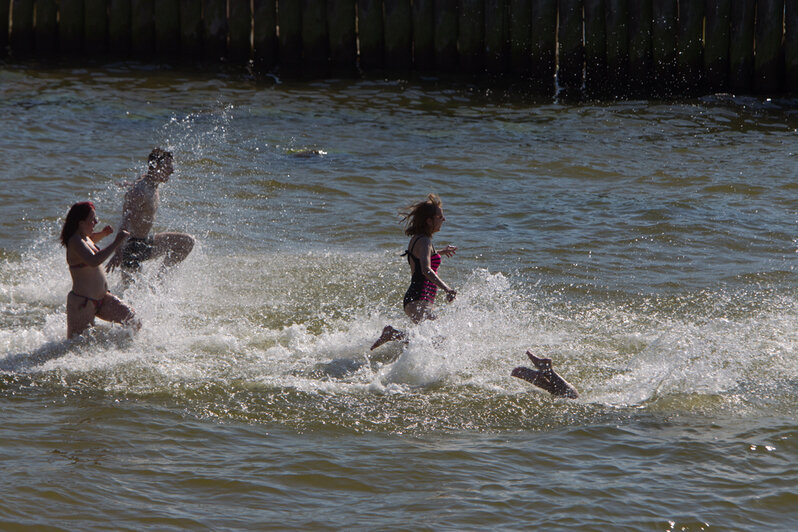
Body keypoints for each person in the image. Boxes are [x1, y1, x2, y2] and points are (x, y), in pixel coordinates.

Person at [371, 193, 457, 350]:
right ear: (429, 220)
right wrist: (447, 288)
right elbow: (425, 269)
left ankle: (393, 334)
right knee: (439, 341)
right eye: (439, 217)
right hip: (419, 297)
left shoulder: (421, 240)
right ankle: (392, 334)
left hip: (418, 298)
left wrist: (440, 252)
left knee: (430, 341)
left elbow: (423, 258)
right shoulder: (424, 241)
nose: (443, 220)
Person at [106, 148, 194, 285]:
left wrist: (127, 185)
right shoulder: (141, 191)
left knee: (186, 242)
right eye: (168, 166)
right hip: (130, 249)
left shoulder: (149, 182)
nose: (172, 170)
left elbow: (138, 182)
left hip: (145, 242)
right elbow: (124, 222)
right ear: (156, 167)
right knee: (131, 298)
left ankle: (158, 282)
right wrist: (117, 252)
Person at [61, 201, 139, 339]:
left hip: (103, 299)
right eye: (92, 220)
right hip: (83, 303)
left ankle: (118, 353)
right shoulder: (74, 241)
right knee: (76, 346)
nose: (96, 222)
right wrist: (116, 242)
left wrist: (103, 234)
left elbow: (90, 240)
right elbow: (93, 260)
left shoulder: (84, 238)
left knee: (134, 322)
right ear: (80, 223)